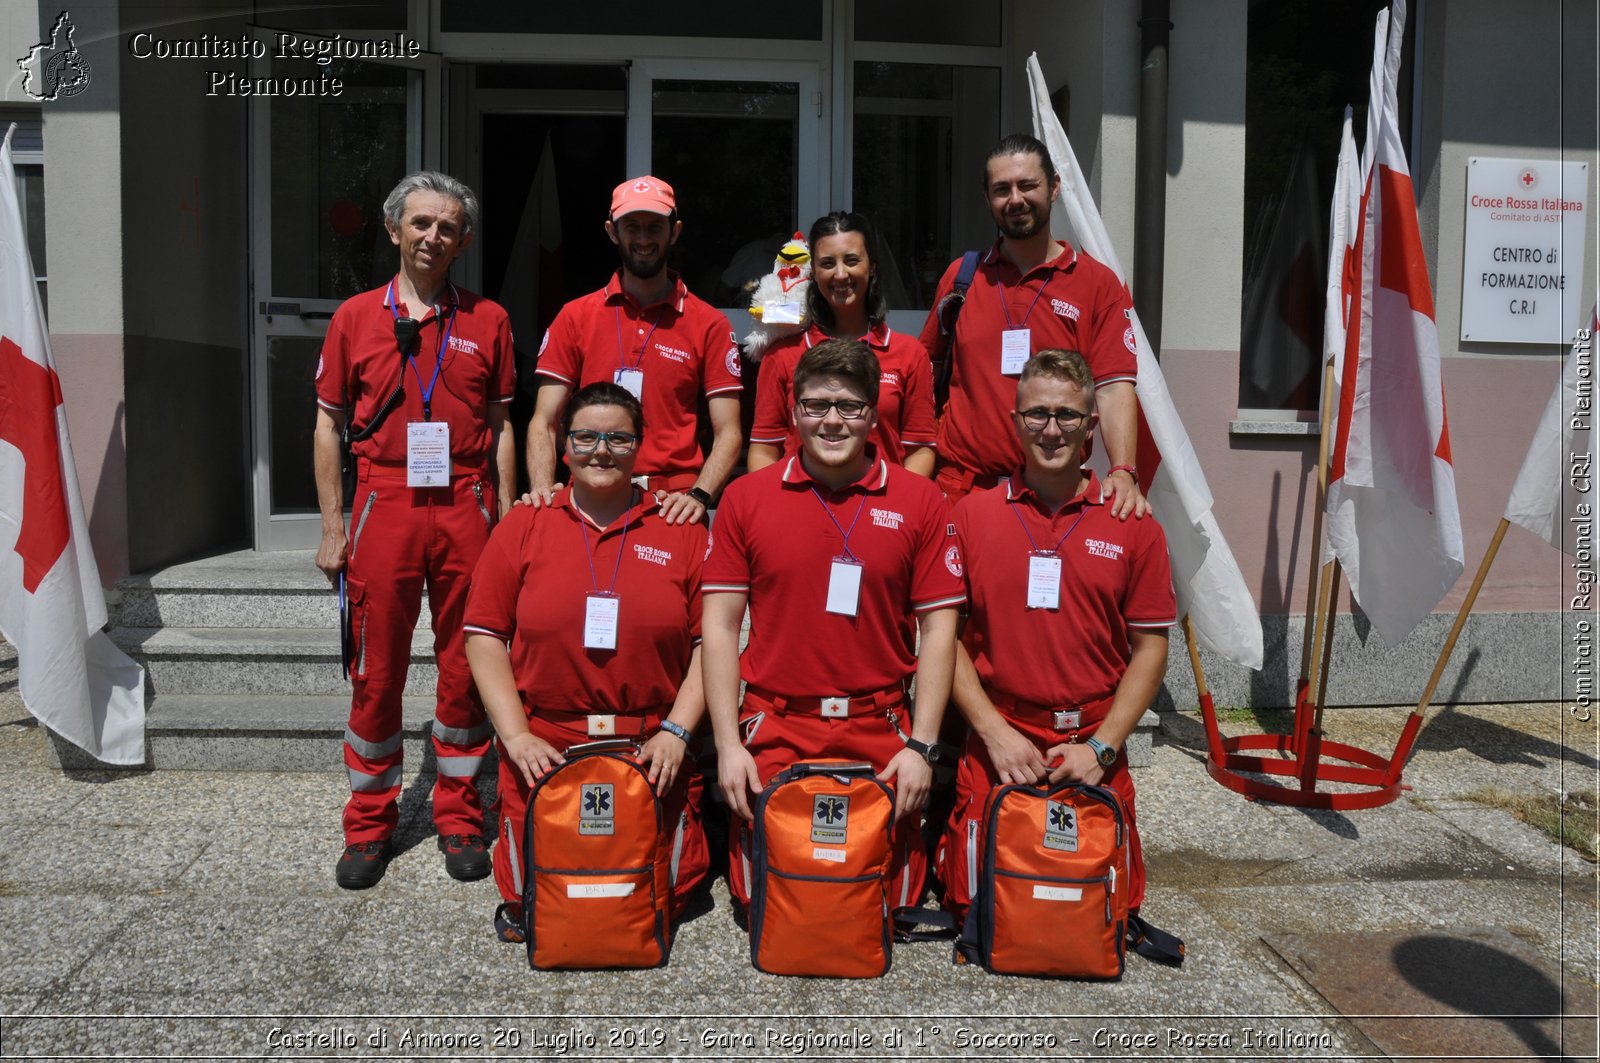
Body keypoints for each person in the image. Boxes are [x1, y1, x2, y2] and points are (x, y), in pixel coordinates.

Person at [702, 338, 964, 918]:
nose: (832, 421)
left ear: (873, 414)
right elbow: (719, 627)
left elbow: (940, 630)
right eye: (817, 405)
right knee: (769, 899)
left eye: (848, 406)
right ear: (793, 412)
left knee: (884, 900)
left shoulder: (920, 500)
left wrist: (922, 746)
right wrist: (726, 745)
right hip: (778, 727)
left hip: (881, 730)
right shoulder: (746, 498)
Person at [313, 170, 516, 889]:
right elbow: (329, 425)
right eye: (421, 222)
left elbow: (500, 427)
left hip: (465, 502)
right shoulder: (353, 318)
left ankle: (459, 812)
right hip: (385, 501)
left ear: (463, 240)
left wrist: (512, 520)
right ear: (394, 229)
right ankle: (370, 825)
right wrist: (334, 526)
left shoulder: (488, 319)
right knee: (377, 671)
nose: (434, 235)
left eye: (449, 226)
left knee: (468, 663)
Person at [465, 381, 710, 933]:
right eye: (587, 437)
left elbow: (710, 646)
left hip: (650, 745)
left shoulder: (680, 529)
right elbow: (483, 635)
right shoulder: (525, 524)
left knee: (658, 886)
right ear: (563, 445)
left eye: (619, 439)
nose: (602, 450)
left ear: (641, 447)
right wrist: (516, 736)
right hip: (548, 743)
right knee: (543, 885)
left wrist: (677, 731)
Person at [937, 350, 1172, 921]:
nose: (1051, 430)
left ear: (1093, 426)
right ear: (1015, 423)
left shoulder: (1132, 523)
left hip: (1090, 739)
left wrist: (1101, 748)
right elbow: (943, 639)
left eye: (1068, 415)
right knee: (979, 901)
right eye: (1036, 414)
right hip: (1002, 738)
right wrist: (993, 734)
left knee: (1096, 910)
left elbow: (1151, 649)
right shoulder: (971, 516)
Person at [919, 134, 1149, 518]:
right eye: (1001, 189)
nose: (1015, 199)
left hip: (1053, 499)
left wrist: (1124, 471)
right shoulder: (961, 278)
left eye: (1027, 185)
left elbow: (1113, 387)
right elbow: (924, 374)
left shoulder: (1096, 283)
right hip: (962, 493)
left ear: (1054, 187)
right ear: (987, 197)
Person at [525, 176, 742, 524]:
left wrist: (701, 494)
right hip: (587, 497)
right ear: (613, 231)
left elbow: (729, 431)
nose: (643, 239)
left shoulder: (709, 323)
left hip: (673, 505)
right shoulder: (575, 316)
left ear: (675, 231)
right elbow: (544, 420)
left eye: (655, 227)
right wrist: (542, 488)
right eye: (632, 227)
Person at [746, 211, 936, 476]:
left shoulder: (909, 354)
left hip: (880, 511)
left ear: (872, 267)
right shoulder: (782, 355)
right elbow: (765, 450)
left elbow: (920, 449)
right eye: (827, 263)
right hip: (801, 510)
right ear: (813, 272)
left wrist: (896, 507)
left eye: (851, 260)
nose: (840, 274)